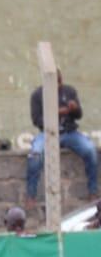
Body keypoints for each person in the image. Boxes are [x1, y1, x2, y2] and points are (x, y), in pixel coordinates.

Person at [27, 70, 98, 206]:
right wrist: (56, 114)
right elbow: (36, 120)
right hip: (47, 133)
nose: (57, 86)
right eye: (54, 83)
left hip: (69, 132)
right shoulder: (37, 95)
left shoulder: (69, 91)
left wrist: (75, 108)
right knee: (35, 153)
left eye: (59, 82)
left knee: (90, 150)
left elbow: (79, 115)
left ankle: (93, 192)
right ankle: (31, 195)